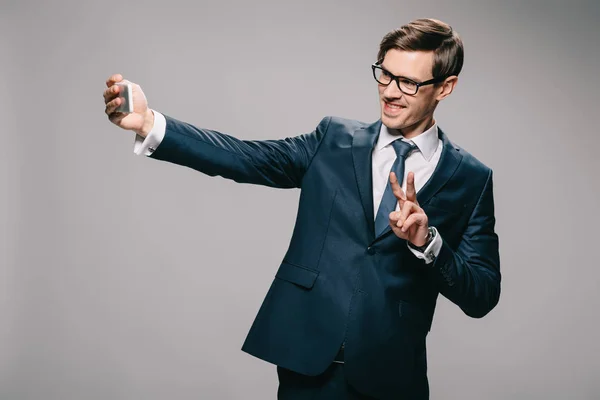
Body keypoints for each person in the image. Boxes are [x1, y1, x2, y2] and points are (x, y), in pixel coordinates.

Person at [103, 18, 500, 400]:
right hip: (308, 365)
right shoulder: (332, 139)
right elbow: (244, 157)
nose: (390, 92)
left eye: (409, 82)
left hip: (393, 374)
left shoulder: (470, 177)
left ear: (445, 87)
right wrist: (149, 124)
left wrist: (427, 242)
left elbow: (482, 293)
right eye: (384, 74)